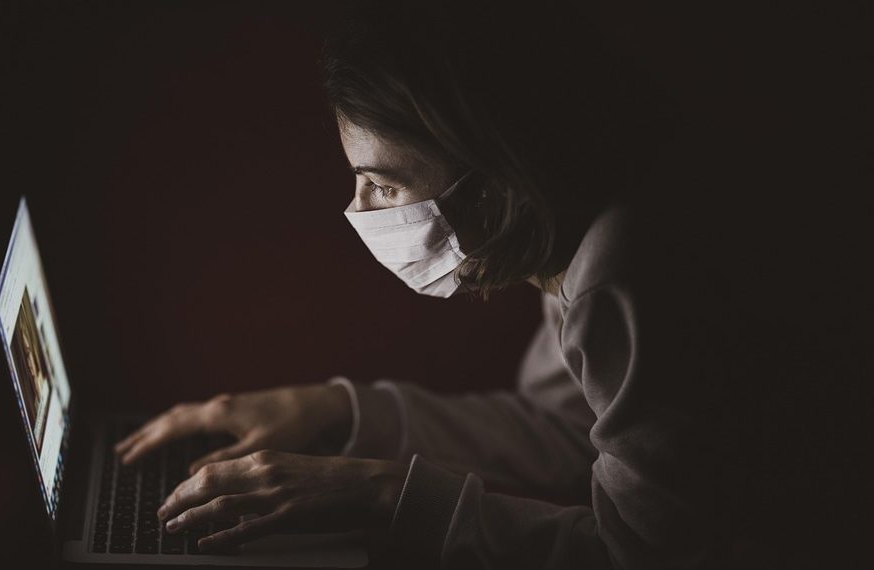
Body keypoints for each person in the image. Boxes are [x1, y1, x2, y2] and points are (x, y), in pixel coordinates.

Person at [115, 1, 868, 568]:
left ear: (493, 183)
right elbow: (569, 431)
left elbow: (642, 556)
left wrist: (375, 494)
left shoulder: (627, 273)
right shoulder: (584, 234)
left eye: (380, 183)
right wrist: (332, 410)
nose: (359, 210)